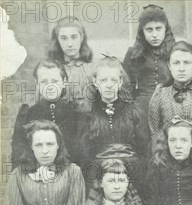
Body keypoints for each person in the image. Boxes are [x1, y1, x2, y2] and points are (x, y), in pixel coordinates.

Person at [79, 56, 150, 190]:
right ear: (95, 82)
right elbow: (85, 154)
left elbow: (143, 149)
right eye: (103, 80)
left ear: (121, 81)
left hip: (131, 175)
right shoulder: (89, 114)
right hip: (99, 176)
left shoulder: (134, 111)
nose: (109, 84)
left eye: (114, 80)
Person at [12, 60, 81, 166]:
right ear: (37, 84)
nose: (50, 86)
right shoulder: (27, 114)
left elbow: (83, 154)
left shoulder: (76, 114)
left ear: (64, 82)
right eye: (44, 82)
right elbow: (18, 154)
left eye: (55, 81)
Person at [123, 4, 174, 113]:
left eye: (158, 29)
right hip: (142, 108)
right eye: (149, 30)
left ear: (166, 29)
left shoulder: (175, 52)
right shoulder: (133, 53)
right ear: (142, 31)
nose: (155, 34)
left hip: (170, 106)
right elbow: (127, 86)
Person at [48, 17, 95, 112]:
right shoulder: (52, 71)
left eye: (74, 37)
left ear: (81, 38)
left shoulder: (93, 70)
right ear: (57, 40)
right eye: (64, 38)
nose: (69, 44)